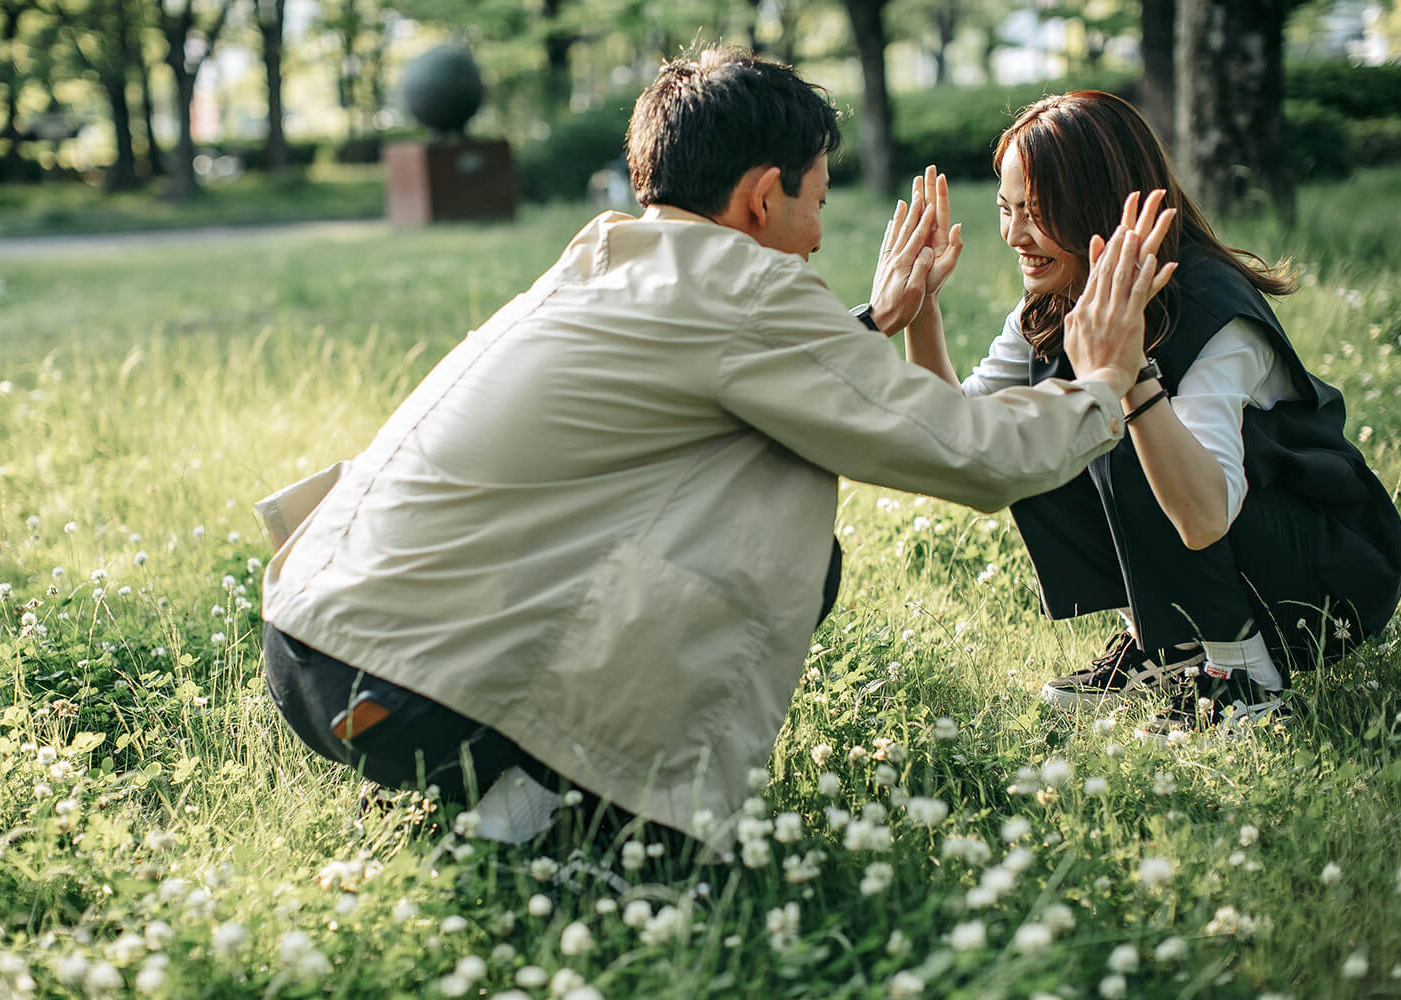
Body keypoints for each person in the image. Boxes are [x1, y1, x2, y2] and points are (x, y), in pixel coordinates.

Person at [258, 51, 1163, 852]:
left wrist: (874, 324)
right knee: (789, 524)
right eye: (814, 202)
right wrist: (1102, 384)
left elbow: (709, 391)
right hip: (408, 695)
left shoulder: (612, 256)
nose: (815, 236)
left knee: (766, 485)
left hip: (318, 655)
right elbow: (970, 454)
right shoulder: (748, 286)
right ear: (763, 197)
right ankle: (544, 802)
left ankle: (487, 777)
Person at [907, 90, 1401, 731]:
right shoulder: (1060, 300)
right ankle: (1165, 647)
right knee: (1041, 420)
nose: (1013, 235)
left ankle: (1239, 672)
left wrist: (1129, 376)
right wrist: (922, 307)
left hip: (1323, 574)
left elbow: (1206, 517)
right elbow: (962, 435)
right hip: (1239, 542)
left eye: (1035, 212)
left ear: (1097, 204)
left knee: (1112, 413)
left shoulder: (1209, 310)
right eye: (1006, 210)